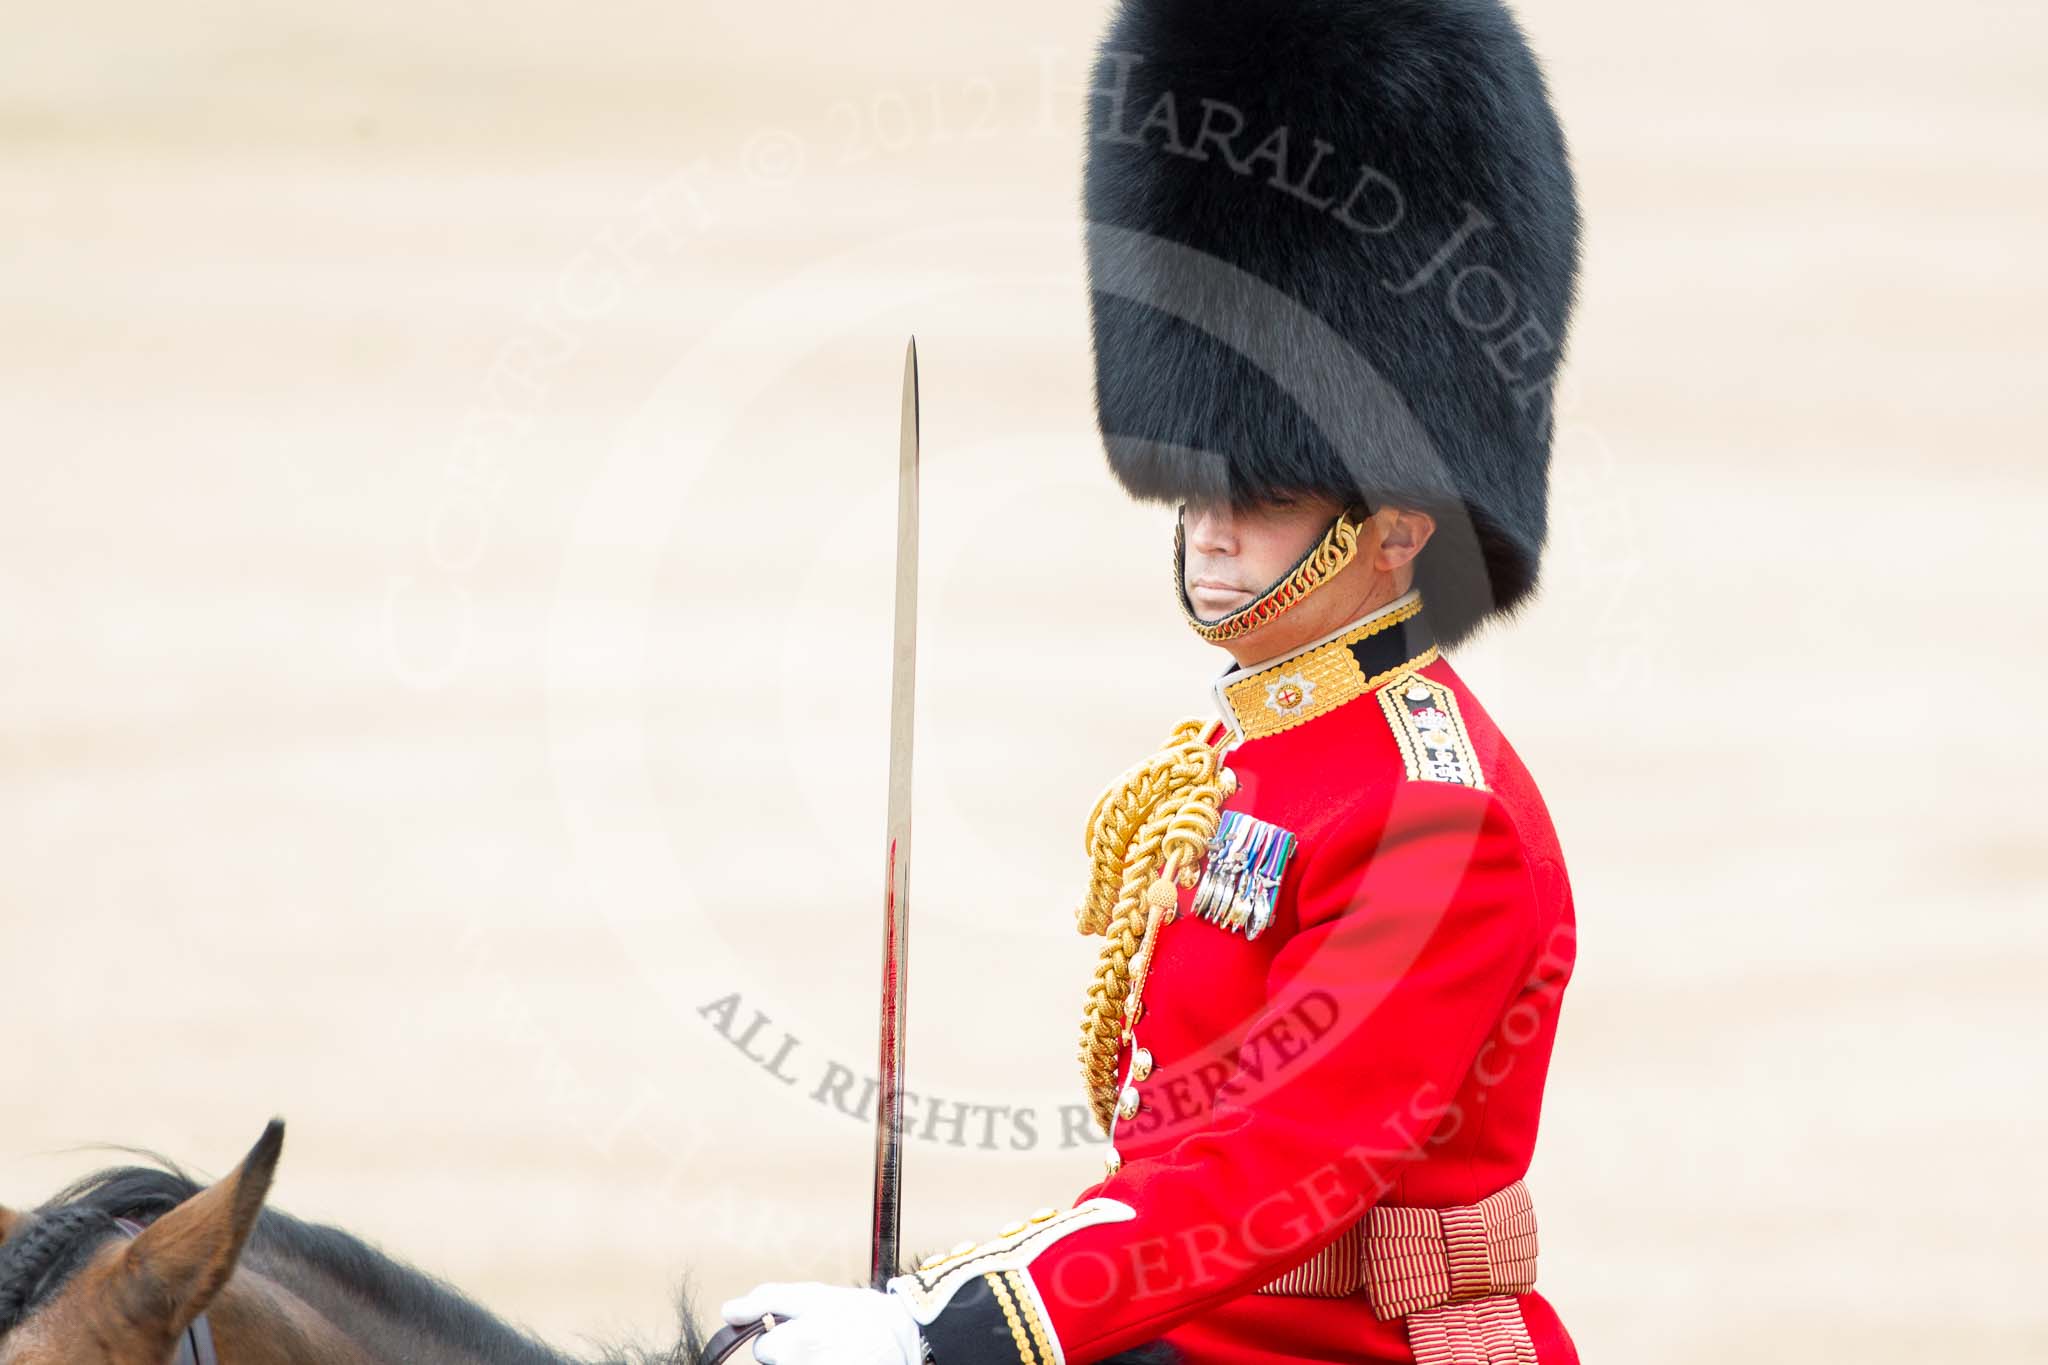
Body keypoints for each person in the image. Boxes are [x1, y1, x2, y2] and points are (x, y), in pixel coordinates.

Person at [724, 0, 1584, 1360]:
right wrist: (922, 1305)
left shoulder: (1440, 819)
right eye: (1194, 481)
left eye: (1261, 487)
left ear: (1399, 527)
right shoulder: (1260, 755)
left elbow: (1260, 1171)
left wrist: (951, 1332)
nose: (1210, 520)